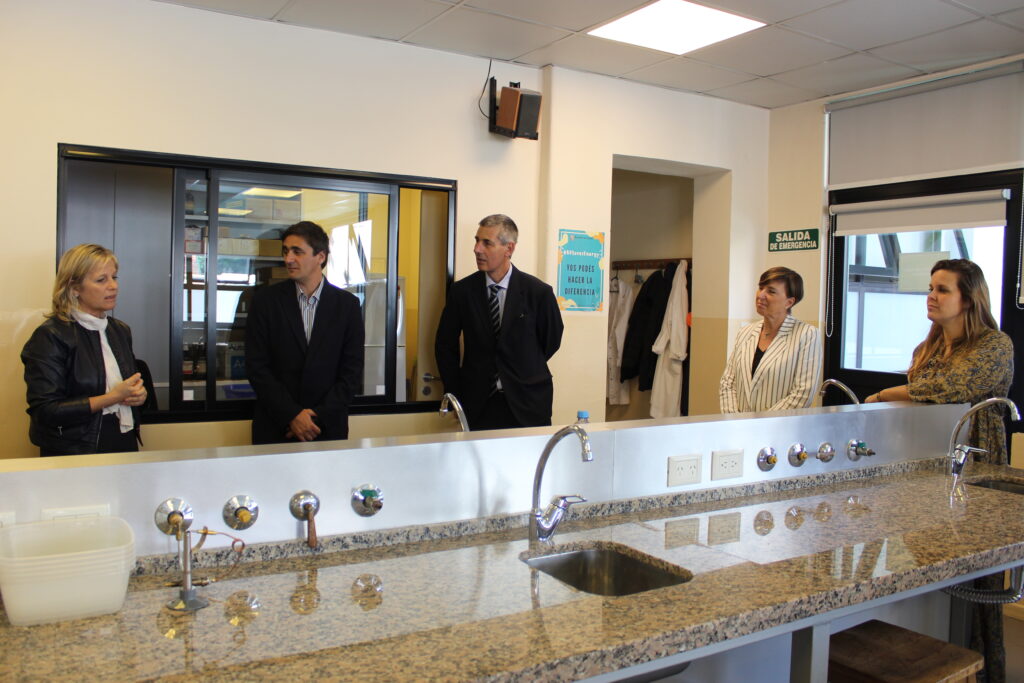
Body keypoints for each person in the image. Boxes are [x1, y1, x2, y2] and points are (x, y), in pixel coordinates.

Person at [866, 258, 1012, 682]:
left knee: (978, 581)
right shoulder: (926, 348)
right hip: (927, 466)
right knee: (930, 570)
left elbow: (948, 388)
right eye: (930, 287)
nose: (931, 296)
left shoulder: (994, 344)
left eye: (942, 289)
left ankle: (981, 671)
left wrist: (883, 393)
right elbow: (921, 396)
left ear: (969, 299)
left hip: (976, 464)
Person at [435, 214, 563, 430]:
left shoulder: (538, 293)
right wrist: (454, 394)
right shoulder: (462, 292)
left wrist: (520, 366)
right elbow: (445, 345)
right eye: (477, 241)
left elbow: (551, 341)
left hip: (527, 402)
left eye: (487, 243)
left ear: (509, 248)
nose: (477, 249)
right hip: (477, 404)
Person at [21, 244, 147, 457]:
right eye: (101, 280)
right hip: (74, 447)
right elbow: (45, 411)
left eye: (114, 277)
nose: (113, 286)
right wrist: (112, 397)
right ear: (74, 288)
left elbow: (129, 385)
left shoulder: (120, 330)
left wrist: (138, 396)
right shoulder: (51, 335)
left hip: (122, 436)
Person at [246, 221, 364, 444]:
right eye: (285, 251)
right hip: (275, 427)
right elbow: (257, 367)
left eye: (297, 252)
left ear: (320, 256)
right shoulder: (265, 301)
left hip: (326, 429)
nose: (288, 259)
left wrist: (316, 418)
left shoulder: (347, 306)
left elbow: (352, 371)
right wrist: (292, 416)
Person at [719, 266, 821, 413]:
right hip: (739, 424)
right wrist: (735, 420)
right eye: (761, 288)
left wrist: (762, 424)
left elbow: (802, 394)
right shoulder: (745, 332)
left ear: (789, 302)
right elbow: (728, 382)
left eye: (771, 291)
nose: (760, 295)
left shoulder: (807, 334)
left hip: (779, 426)